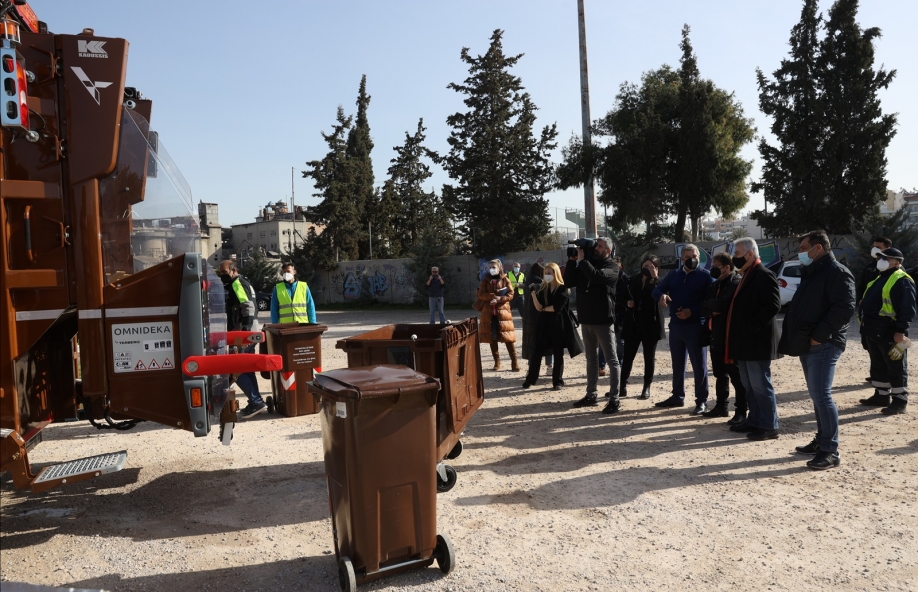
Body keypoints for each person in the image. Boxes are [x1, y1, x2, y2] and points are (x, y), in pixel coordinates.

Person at [778, 230, 855, 470]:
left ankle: (830, 450)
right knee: (816, 395)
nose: (800, 253)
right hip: (808, 342)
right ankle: (821, 440)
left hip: (824, 343)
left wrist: (819, 336)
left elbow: (845, 308)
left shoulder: (837, 273)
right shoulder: (813, 272)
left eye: (803, 248)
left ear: (818, 248)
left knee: (822, 395)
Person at [723, 238, 782, 441]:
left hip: (757, 341)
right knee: (749, 383)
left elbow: (773, 305)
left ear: (750, 254)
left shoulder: (764, 275)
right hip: (745, 342)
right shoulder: (747, 275)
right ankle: (755, 420)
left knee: (760, 384)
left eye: (737, 254)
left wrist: (750, 326)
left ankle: (769, 425)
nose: (734, 258)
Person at [651, 244, 714, 414]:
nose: (690, 259)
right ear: (681, 258)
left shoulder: (705, 277)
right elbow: (656, 290)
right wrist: (661, 296)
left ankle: (702, 401)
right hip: (676, 328)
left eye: (694, 256)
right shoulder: (674, 275)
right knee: (677, 364)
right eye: (687, 257)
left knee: (699, 366)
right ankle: (677, 396)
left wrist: (691, 312)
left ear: (699, 258)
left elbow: (710, 302)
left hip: (696, 327)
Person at [564, 237, 621, 414]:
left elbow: (596, 277)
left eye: (600, 246)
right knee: (591, 359)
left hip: (603, 320)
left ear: (608, 251)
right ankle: (591, 395)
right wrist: (573, 262)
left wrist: (582, 261)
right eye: (596, 245)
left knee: (612, 361)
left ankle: (614, 399)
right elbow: (568, 282)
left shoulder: (611, 267)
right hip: (586, 319)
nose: (596, 248)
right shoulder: (585, 264)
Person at [858, 248, 915, 415]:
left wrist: (901, 331)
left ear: (896, 262)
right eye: (880, 257)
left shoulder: (901, 280)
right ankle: (881, 395)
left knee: (896, 367)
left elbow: (907, 308)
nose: (880, 260)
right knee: (878, 365)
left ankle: (899, 400)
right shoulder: (880, 278)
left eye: (885, 258)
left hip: (890, 331)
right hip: (874, 331)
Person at [701, 252, 747, 423]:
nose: (712, 269)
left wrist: (713, 307)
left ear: (727, 267)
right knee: (720, 374)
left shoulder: (735, 283)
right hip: (715, 337)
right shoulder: (715, 285)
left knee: (736, 376)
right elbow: (703, 306)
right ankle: (721, 406)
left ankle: (741, 411)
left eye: (716, 266)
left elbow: (725, 305)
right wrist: (712, 309)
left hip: (729, 338)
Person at [218, 259, 266, 419]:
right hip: (247, 332)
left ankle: (256, 400)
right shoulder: (242, 282)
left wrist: (245, 332)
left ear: (233, 270)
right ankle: (256, 402)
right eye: (221, 273)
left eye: (225, 273)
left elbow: (248, 307)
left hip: (243, 334)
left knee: (235, 369)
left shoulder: (238, 283)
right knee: (246, 368)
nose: (223, 276)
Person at [522, 263, 583, 390]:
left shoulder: (563, 289)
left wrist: (544, 308)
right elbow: (538, 308)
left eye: (550, 273)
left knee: (558, 353)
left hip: (558, 324)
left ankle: (558, 381)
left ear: (556, 274)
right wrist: (533, 294)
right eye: (546, 273)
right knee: (537, 352)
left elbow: (557, 308)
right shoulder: (543, 289)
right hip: (543, 323)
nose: (547, 276)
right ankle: (531, 379)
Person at [619, 256, 665, 401]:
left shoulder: (659, 282)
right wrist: (628, 303)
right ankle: (622, 386)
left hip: (651, 323)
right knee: (628, 356)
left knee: (649, 357)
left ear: (656, 268)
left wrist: (655, 278)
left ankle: (646, 387)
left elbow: (663, 297)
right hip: (633, 323)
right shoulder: (632, 280)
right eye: (645, 265)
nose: (647, 268)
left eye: (651, 266)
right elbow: (622, 297)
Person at [476, 260, 520, 372]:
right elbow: (480, 294)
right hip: (489, 314)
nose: (492, 269)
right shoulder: (485, 280)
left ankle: (514, 361)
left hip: (503, 313)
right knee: (492, 338)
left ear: (499, 268)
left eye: (494, 267)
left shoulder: (505, 279)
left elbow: (511, 294)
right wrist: (492, 297)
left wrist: (500, 299)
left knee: (508, 338)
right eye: (490, 267)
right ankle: (497, 361)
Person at [521, 263, 554, 376]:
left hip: (530, 320)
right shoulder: (540, 284)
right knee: (548, 343)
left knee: (533, 344)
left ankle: (531, 369)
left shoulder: (528, 282)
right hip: (542, 317)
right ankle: (549, 367)